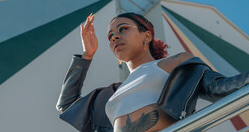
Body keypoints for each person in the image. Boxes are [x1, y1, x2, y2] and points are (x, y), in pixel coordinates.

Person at [56, 12, 249, 132]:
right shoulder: (110, 94)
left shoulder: (174, 63)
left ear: (146, 36)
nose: (115, 36)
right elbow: (67, 105)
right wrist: (87, 55)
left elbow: (221, 87)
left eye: (123, 29)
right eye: (110, 36)